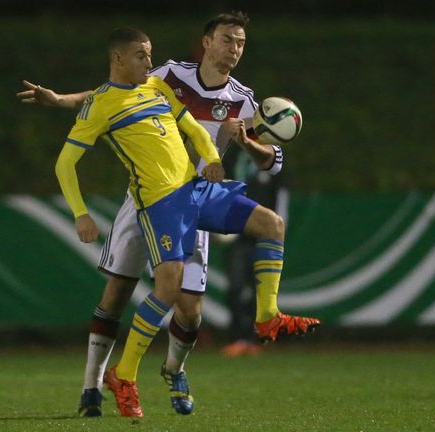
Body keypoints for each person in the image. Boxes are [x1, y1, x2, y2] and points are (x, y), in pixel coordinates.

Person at [38, 20, 319, 419]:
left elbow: (271, 159)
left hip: (196, 191)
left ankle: (177, 368)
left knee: (190, 309)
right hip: (146, 201)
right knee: (118, 293)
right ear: (207, 42)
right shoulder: (168, 75)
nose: (234, 49)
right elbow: (111, 92)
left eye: (241, 42)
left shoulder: (242, 100)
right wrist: (62, 101)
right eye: (227, 40)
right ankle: (92, 389)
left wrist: (240, 143)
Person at [220, 146, 289, 357]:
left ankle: (253, 338)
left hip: (263, 235)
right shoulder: (230, 154)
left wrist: (278, 231)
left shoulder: (272, 155)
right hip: (236, 234)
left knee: (258, 289)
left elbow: (282, 195)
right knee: (235, 285)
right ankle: (235, 338)